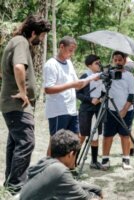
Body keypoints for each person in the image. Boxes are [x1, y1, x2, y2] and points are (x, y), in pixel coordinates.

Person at [0, 15, 51, 194]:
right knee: (26, 142)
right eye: (43, 35)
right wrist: (22, 91)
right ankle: (17, 187)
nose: (43, 39)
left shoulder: (17, 42)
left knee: (16, 144)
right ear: (34, 32)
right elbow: (19, 67)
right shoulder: (21, 41)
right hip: (17, 104)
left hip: (12, 104)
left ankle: (10, 184)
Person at [43, 36, 98, 155]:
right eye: (70, 50)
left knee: (74, 140)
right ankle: (48, 168)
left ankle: (69, 168)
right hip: (58, 111)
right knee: (56, 142)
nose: (72, 53)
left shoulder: (68, 63)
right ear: (61, 46)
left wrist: (92, 77)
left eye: (74, 50)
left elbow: (77, 85)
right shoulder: (51, 64)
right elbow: (48, 89)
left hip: (71, 110)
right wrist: (71, 85)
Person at [19, 129, 103, 200]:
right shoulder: (59, 171)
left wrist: (97, 189)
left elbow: (73, 183)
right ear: (71, 154)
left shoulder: (47, 162)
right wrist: (97, 195)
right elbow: (85, 197)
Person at [101, 51, 134, 170]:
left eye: (120, 60)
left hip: (126, 110)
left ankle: (126, 159)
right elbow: (102, 91)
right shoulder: (108, 75)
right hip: (110, 109)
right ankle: (105, 159)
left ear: (125, 60)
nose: (117, 62)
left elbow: (132, 95)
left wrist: (125, 110)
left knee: (125, 135)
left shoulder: (130, 76)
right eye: (115, 60)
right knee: (107, 135)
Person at [76, 54, 103, 169]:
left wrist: (100, 99)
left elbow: (106, 91)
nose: (99, 65)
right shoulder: (85, 76)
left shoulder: (102, 76)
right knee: (82, 135)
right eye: (96, 63)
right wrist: (90, 100)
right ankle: (73, 160)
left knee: (95, 136)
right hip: (86, 110)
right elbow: (78, 93)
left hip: (98, 109)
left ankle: (94, 161)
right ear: (89, 65)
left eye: (99, 62)